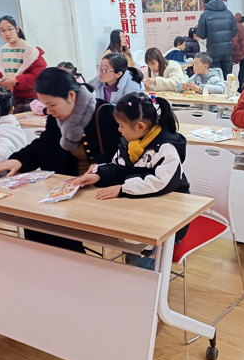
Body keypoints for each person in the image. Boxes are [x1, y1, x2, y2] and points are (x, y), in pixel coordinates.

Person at [0, 68, 122, 253]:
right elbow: (45, 143)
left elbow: (119, 153)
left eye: (52, 105)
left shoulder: (105, 113)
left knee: (57, 232)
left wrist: (99, 167)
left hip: (98, 190)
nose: (49, 111)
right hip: (66, 189)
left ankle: (72, 266)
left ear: (71, 95)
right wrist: (20, 160)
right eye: (45, 105)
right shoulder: (56, 118)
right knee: (36, 224)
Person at [72, 93, 190, 270]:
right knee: (130, 245)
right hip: (141, 210)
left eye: (121, 126)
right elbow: (118, 167)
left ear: (140, 126)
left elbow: (160, 182)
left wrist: (122, 188)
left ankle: (150, 282)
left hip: (170, 217)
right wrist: (99, 175)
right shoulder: (128, 143)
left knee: (137, 258)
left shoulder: (166, 148)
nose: (119, 130)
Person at [0, 15, 46, 113]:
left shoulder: (30, 50)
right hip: (8, 96)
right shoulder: (3, 49)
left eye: (10, 29)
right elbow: (4, 71)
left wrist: (16, 81)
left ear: (17, 29)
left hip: (28, 98)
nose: (7, 33)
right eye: (2, 30)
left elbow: (38, 75)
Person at [196, 0, 238, 78]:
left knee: (216, 78)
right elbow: (234, 32)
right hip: (227, 51)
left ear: (206, 4)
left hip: (213, 52)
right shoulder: (229, 13)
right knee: (228, 77)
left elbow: (201, 35)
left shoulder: (205, 15)